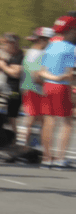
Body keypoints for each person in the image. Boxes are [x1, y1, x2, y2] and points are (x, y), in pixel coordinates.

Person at [36, 15, 76, 170]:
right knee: (67, 123)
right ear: (71, 30)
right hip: (62, 87)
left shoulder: (51, 46)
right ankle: (60, 158)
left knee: (49, 121)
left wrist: (52, 77)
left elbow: (41, 71)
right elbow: (69, 74)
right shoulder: (71, 48)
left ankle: (46, 158)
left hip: (48, 86)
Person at [18, 27, 52, 149]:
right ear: (42, 40)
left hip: (28, 88)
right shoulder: (41, 54)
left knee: (33, 120)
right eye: (48, 40)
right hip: (36, 90)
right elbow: (36, 76)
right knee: (38, 121)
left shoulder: (30, 52)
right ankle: (29, 147)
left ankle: (28, 146)